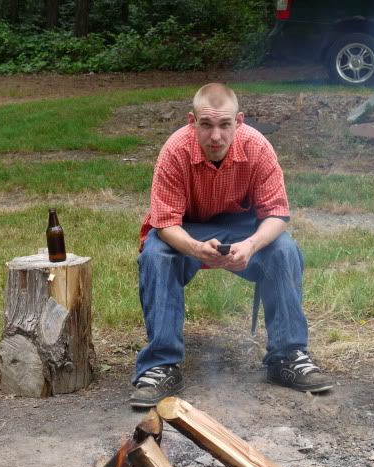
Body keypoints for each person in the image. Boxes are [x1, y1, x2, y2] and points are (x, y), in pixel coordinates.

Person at [130, 83, 332, 408]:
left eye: (225, 125)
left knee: (284, 250)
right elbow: (165, 221)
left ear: (239, 121)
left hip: (243, 226)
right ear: (191, 121)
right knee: (156, 253)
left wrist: (251, 245)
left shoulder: (258, 146)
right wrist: (195, 248)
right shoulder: (174, 150)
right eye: (206, 125)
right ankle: (160, 365)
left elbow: (277, 214)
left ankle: (287, 356)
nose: (215, 137)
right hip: (187, 227)